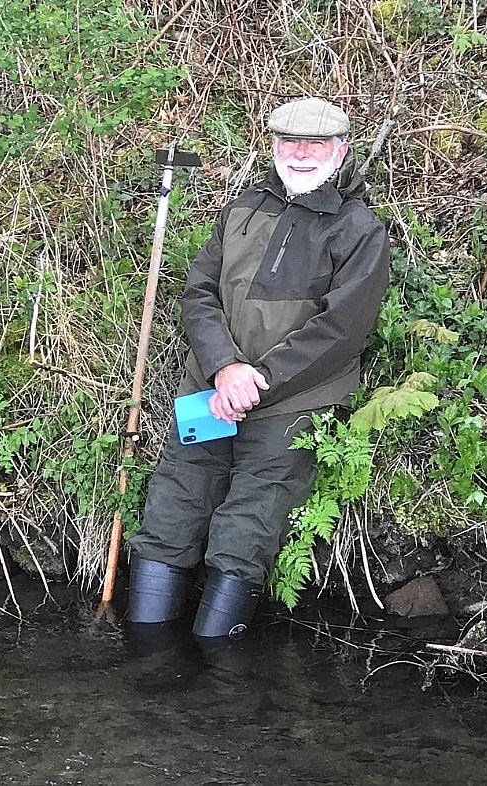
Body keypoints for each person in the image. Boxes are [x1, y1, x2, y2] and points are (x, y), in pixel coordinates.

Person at [128, 97, 389, 638]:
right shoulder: (242, 209)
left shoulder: (359, 230)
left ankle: (213, 664)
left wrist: (252, 384)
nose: (301, 154)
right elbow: (199, 293)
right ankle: (143, 655)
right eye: (290, 142)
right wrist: (224, 368)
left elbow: (342, 331)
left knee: (249, 526)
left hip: (291, 405)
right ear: (273, 147)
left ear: (339, 151)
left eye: (315, 144)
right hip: (210, 390)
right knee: (171, 508)